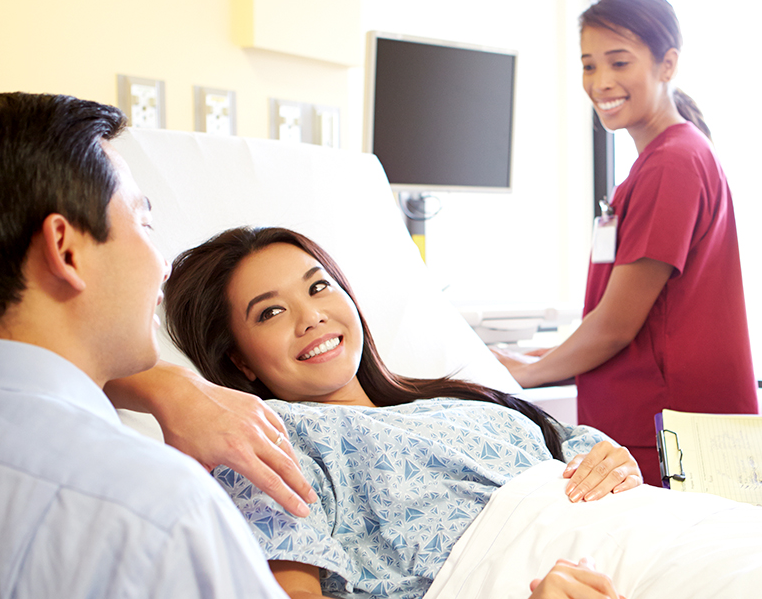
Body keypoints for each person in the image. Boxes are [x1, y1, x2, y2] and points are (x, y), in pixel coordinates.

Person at [0, 93, 288, 597]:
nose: (164, 264)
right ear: (66, 250)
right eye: (144, 223)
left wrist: (170, 386)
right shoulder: (161, 511)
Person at [162, 226, 643, 599]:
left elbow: (584, 453)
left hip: (651, 543)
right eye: (270, 312)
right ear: (240, 361)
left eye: (318, 287)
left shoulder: (461, 400)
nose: (312, 317)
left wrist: (615, 463)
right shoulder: (273, 443)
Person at [492, 0, 758, 487]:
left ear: (667, 64)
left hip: (667, 438)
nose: (600, 82)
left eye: (619, 62)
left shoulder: (673, 163)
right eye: (589, 65)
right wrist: (522, 360)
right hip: (659, 430)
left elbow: (616, 327)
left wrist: (525, 375)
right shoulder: (665, 160)